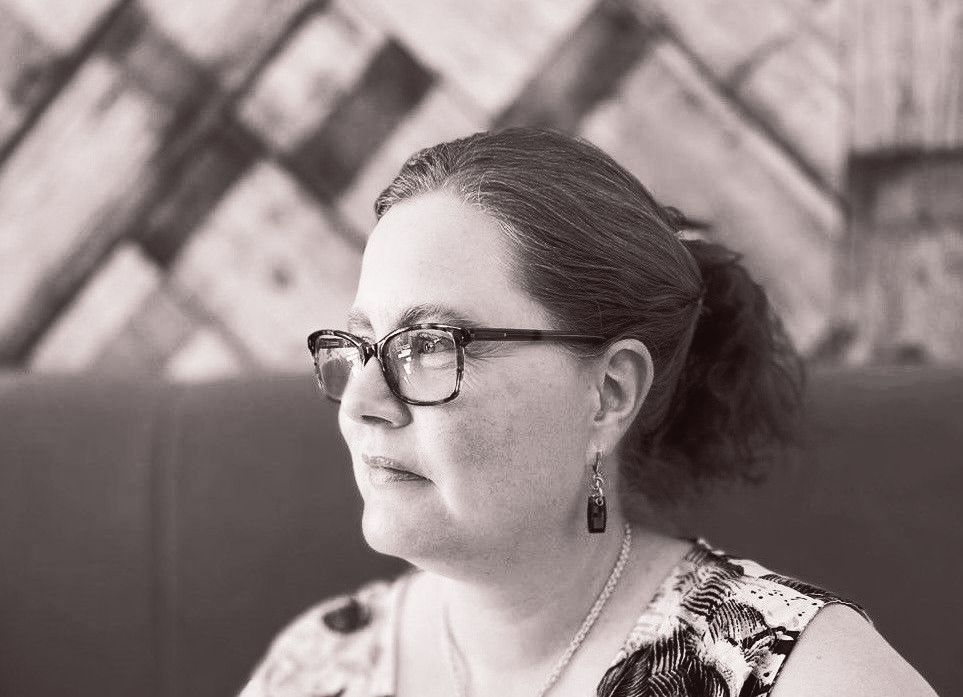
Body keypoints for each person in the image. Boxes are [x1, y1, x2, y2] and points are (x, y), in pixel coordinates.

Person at [239, 128, 936, 697]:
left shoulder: (803, 678)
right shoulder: (316, 665)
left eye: (427, 344)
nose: (360, 401)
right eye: (360, 345)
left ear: (608, 394)